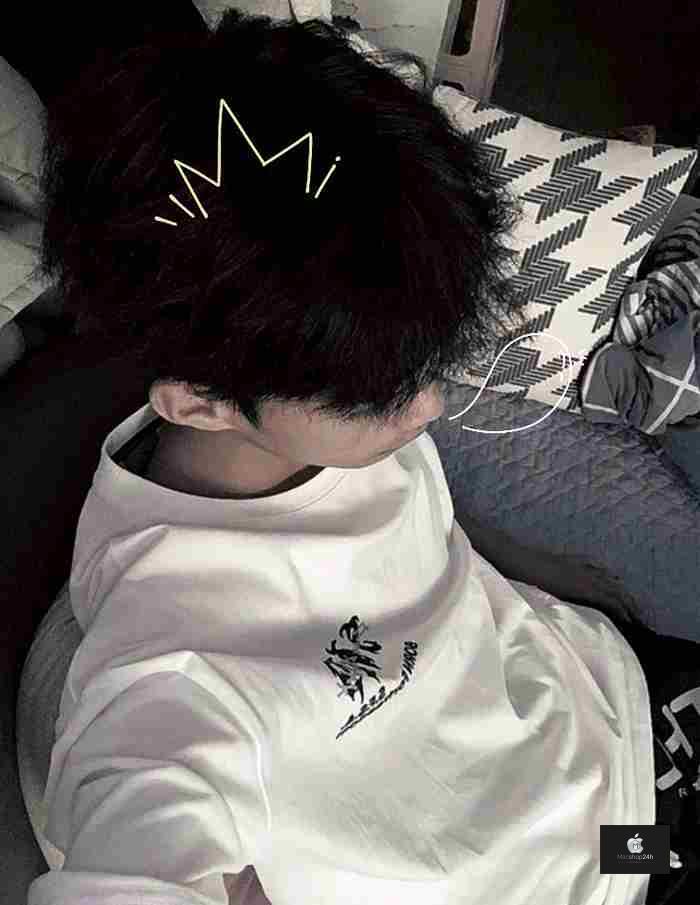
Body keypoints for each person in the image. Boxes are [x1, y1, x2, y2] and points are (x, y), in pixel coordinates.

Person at [26, 9, 700, 905]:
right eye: (387, 393)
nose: (433, 405)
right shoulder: (166, 687)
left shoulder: (330, 373)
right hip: (609, 865)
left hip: (621, 701)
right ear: (200, 403)